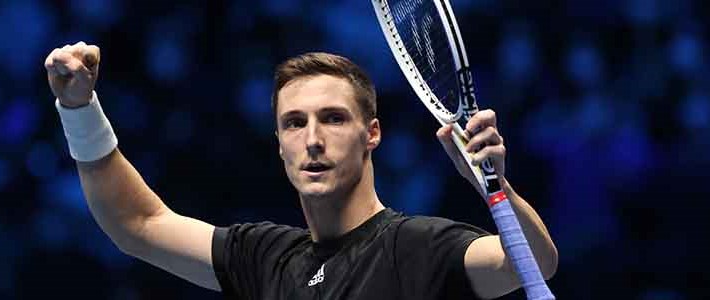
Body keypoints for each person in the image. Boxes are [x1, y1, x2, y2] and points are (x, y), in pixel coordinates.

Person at [44, 41, 557, 299]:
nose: (312, 139)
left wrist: (494, 187)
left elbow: (530, 265)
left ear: (371, 134)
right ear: (279, 145)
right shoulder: (264, 258)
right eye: (294, 123)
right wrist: (79, 110)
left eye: (333, 119)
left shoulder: (418, 247)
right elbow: (138, 226)